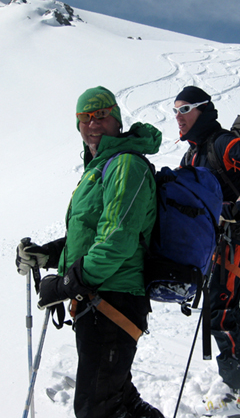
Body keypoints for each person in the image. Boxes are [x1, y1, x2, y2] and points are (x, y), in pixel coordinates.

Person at [16, 86, 164, 418]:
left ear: (116, 119)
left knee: (96, 409)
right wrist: (47, 254)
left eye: (101, 115)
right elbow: (88, 235)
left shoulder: (126, 164)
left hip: (115, 298)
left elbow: (117, 240)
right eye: (84, 117)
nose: (92, 123)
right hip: (98, 300)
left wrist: (68, 282)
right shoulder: (98, 169)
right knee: (117, 399)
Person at [173, 86, 240, 416]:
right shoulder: (191, 154)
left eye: (185, 108)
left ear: (203, 109)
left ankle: (239, 387)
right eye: (175, 109)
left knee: (220, 311)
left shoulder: (223, 143)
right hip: (210, 244)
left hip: (233, 241)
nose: (178, 115)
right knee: (222, 309)